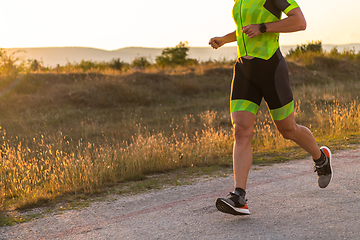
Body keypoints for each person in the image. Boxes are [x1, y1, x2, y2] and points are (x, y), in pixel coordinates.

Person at [209, 0, 333, 216]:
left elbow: (299, 22)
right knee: (241, 130)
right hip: (243, 70)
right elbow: (245, 30)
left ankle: (321, 158)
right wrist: (224, 39)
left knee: (288, 130)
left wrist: (264, 27)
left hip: (271, 68)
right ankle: (239, 196)